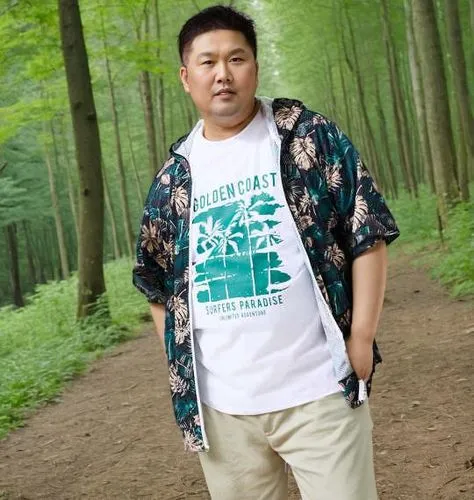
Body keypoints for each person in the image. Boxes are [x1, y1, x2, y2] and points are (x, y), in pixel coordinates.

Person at [132, 4, 400, 499]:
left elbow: (366, 230)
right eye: (208, 63)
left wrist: (361, 336)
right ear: (186, 77)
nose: (222, 74)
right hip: (223, 409)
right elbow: (155, 282)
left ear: (254, 67)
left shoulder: (305, 137)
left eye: (236, 59)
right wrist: (186, 365)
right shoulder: (174, 179)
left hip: (318, 388)